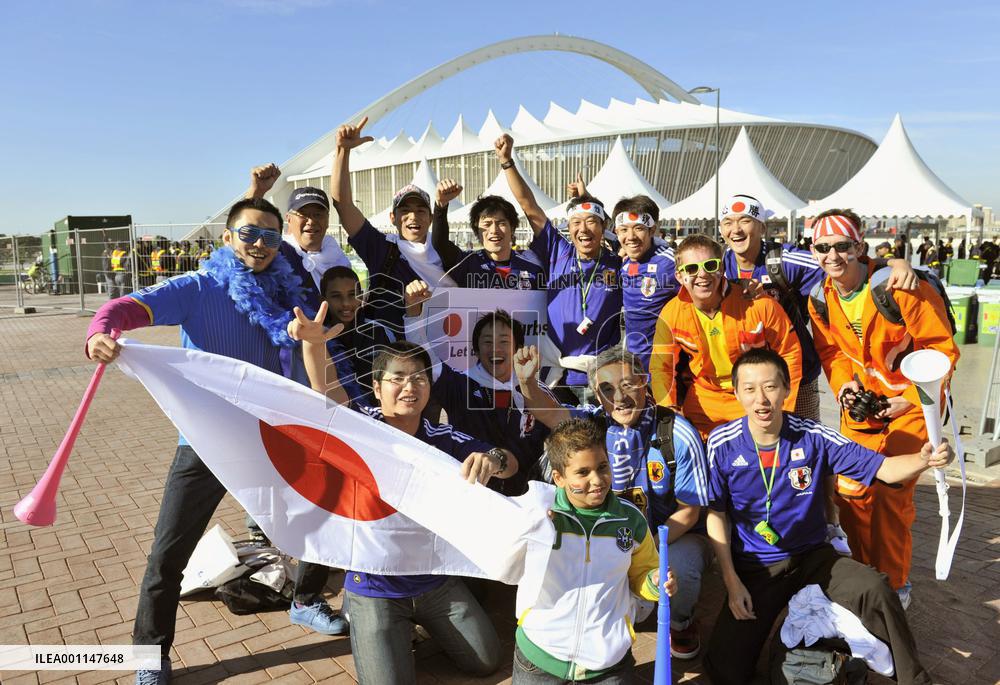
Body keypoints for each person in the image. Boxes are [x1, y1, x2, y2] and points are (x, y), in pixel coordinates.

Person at [84, 198, 344, 684]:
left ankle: (306, 599)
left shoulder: (286, 290)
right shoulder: (198, 287)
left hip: (274, 436)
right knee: (169, 554)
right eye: (249, 234)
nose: (261, 245)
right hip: (205, 442)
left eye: (270, 236)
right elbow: (126, 306)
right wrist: (101, 330)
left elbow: (316, 347)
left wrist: (311, 338)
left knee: (322, 516)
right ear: (227, 239)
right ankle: (150, 657)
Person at [702, 347, 951, 685]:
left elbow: (886, 470)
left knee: (875, 587)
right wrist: (732, 582)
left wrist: (924, 459)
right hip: (757, 566)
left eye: (770, 387)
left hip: (812, 557)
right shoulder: (722, 443)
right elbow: (716, 515)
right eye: (749, 389)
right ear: (736, 393)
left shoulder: (813, 437)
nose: (761, 399)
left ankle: (913, 678)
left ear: (787, 389)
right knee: (725, 670)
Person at [293, 322, 516, 685]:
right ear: (376, 387)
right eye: (397, 378)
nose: (409, 387)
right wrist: (314, 347)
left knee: (485, 661)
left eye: (419, 378)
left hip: (433, 581)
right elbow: (324, 394)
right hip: (374, 585)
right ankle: (364, 617)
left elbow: (505, 461)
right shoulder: (361, 427)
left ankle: (416, 627)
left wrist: (494, 460)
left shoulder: (440, 436)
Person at [514, 344, 711, 659]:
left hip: (669, 535)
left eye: (627, 385)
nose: (619, 397)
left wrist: (643, 547)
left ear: (644, 382)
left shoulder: (678, 434)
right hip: (612, 533)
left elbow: (689, 513)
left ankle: (680, 621)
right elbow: (551, 413)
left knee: (682, 567)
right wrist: (526, 382)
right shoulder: (593, 425)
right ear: (595, 392)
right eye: (607, 389)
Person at [807, 209, 960, 606]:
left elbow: (943, 351)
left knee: (891, 496)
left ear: (859, 246)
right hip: (863, 409)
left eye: (842, 246)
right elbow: (831, 352)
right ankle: (862, 573)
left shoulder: (900, 287)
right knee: (852, 491)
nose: (833, 255)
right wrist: (844, 388)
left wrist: (908, 398)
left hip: (912, 405)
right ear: (813, 250)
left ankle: (894, 585)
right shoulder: (819, 297)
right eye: (824, 248)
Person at [510, 416, 676, 683]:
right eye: (583, 472)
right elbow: (507, 560)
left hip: (607, 664)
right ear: (559, 478)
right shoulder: (540, 513)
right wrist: (532, 530)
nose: (597, 479)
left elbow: (642, 574)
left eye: (602, 466)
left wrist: (655, 582)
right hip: (539, 657)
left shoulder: (630, 520)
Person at [497, 133, 623, 399]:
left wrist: (589, 198)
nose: (584, 229)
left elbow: (643, 240)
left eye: (591, 222)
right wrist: (507, 162)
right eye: (576, 223)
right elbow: (528, 206)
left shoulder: (618, 262)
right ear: (568, 228)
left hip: (601, 374)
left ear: (603, 228)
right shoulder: (558, 252)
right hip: (557, 373)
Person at [404, 280, 552, 495]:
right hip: (471, 494)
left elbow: (559, 434)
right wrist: (413, 311)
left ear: (518, 347)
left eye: (504, 341)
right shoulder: (458, 384)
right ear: (475, 349)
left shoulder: (537, 391)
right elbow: (422, 355)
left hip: (528, 500)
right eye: (487, 342)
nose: (496, 349)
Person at [651, 234, 803, 439]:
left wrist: (783, 405)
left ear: (721, 268)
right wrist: (667, 408)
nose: (703, 274)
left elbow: (790, 353)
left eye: (710, 265)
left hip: (753, 395)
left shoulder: (758, 303)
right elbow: (661, 366)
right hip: (704, 398)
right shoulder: (671, 313)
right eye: (692, 269)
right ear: (679, 276)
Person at [330, 117, 455, 339]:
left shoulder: (448, 254)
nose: (413, 217)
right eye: (404, 211)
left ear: (431, 217)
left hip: (447, 356)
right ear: (393, 218)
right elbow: (343, 204)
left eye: (420, 210)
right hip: (393, 360)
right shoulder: (382, 249)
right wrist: (342, 151)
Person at [246, 163, 351, 310]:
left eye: (318, 215)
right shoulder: (278, 251)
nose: (312, 221)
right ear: (288, 219)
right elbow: (243, 236)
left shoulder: (340, 260)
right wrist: (257, 191)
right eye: (304, 214)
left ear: (327, 219)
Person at [430, 180, 545, 289]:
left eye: (501, 223)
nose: (494, 230)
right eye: (487, 224)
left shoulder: (533, 264)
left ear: (512, 228)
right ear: (477, 230)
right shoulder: (466, 263)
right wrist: (441, 205)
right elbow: (440, 243)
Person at [614, 195, 679, 371]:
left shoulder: (669, 263)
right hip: (635, 367)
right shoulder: (625, 262)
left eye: (639, 228)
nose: (631, 236)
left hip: (665, 369)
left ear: (652, 230)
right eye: (623, 230)